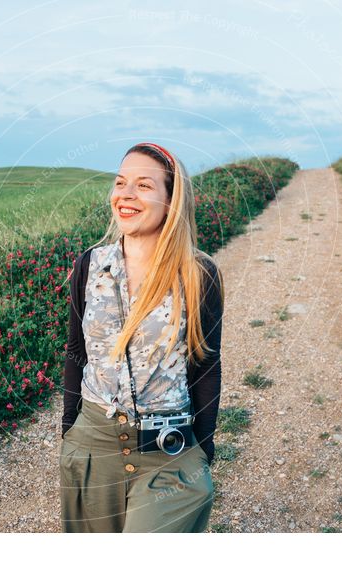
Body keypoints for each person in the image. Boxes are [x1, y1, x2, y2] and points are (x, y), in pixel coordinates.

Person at [59, 142, 225, 533]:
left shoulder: (198, 273)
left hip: (167, 449)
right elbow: (75, 352)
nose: (125, 195)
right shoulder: (89, 265)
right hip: (92, 443)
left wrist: (203, 450)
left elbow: (205, 362)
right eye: (120, 183)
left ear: (171, 200)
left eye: (144, 186)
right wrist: (70, 433)